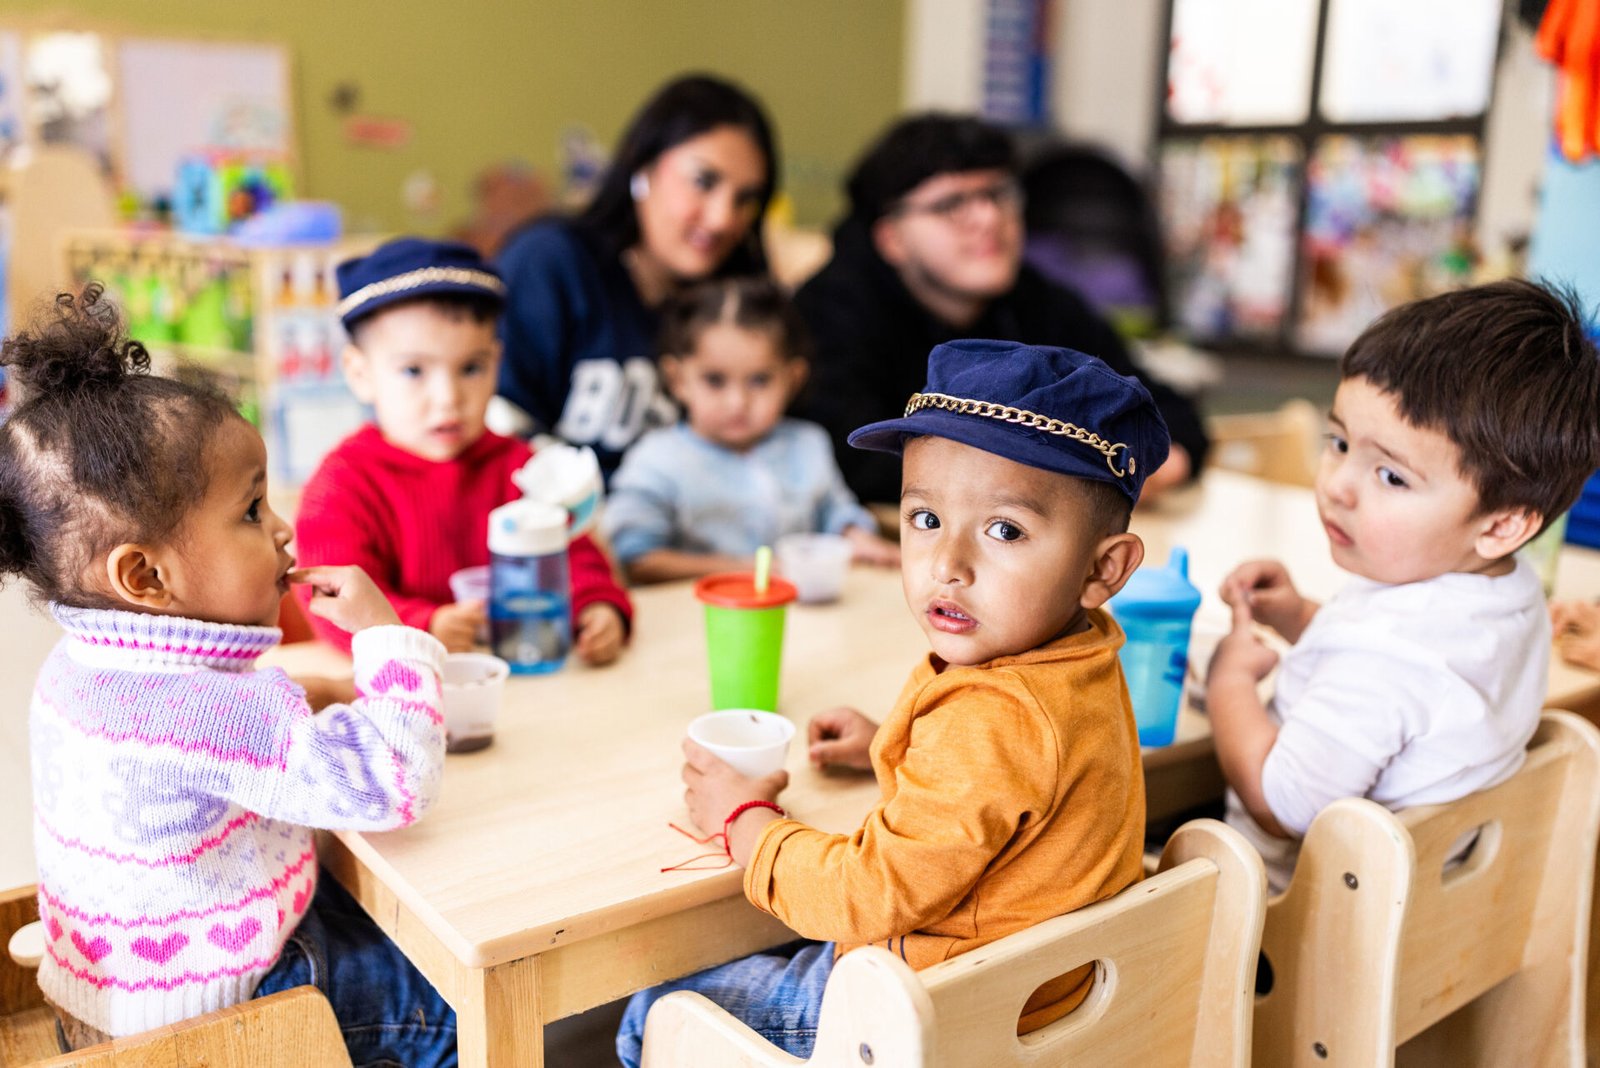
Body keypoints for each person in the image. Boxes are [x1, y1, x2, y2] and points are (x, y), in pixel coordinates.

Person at [615, 338, 1164, 1065]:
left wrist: (744, 820)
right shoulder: (1081, 661)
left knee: (656, 1004)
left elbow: (864, 896)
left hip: (933, 1023)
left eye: (1005, 530)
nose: (948, 565)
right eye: (924, 518)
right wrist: (896, 744)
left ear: (1104, 569)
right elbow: (1019, 791)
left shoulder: (993, 716)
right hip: (1037, 1006)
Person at [0, 285, 455, 1065]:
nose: (283, 527)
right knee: (456, 1012)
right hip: (231, 1020)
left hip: (112, 997)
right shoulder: (213, 713)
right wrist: (388, 639)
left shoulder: (83, 672)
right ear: (144, 576)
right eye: (251, 511)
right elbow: (394, 787)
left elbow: (216, 741)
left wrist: (320, 695)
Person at [1207, 280, 1600, 892]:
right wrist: (1298, 618)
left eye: (1391, 475)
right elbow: (1411, 688)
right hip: (1425, 918)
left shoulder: (1385, 656)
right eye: (1338, 443)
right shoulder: (1506, 592)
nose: (1338, 484)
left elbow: (1279, 807)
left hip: (1290, 927)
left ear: (1501, 524)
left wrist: (1229, 679)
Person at [793, 113, 1208, 505]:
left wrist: (1160, 464)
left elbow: (1163, 414)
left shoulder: (1040, 301)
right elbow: (855, 460)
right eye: (952, 203)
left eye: (997, 193)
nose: (989, 218)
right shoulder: (830, 311)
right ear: (891, 239)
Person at [296, 238, 632, 660]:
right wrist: (421, 626)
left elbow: (575, 555)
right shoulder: (342, 483)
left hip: (521, 678)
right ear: (360, 373)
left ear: (496, 362)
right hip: (402, 691)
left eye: (471, 368)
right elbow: (328, 599)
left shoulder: (521, 468)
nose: (448, 398)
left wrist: (598, 606)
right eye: (414, 370)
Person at [495, 74, 779, 480]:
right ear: (642, 166)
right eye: (703, 181)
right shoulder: (550, 261)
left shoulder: (740, 301)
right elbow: (497, 426)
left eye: (746, 199)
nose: (722, 219)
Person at [602, 276, 899, 583]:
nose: (737, 403)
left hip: (804, 618)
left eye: (759, 380)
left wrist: (857, 538)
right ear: (677, 380)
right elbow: (636, 559)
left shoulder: (808, 444)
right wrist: (746, 569)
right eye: (715, 380)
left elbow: (834, 513)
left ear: (793, 379)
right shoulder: (656, 460)